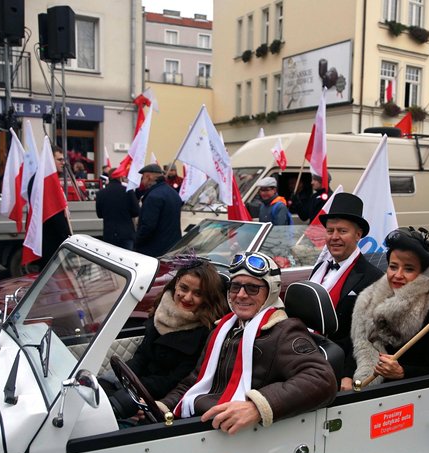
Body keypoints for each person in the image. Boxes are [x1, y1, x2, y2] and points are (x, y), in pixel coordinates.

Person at [160, 251, 337, 434]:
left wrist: (257, 406)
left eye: (252, 288)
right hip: (198, 420)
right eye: (235, 287)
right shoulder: (223, 328)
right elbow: (196, 380)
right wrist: (163, 406)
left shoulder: (284, 331)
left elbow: (322, 379)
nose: (241, 295)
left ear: (271, 291)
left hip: (234, 432)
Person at [103, 258, 228, 420]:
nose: (187, 298)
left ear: (207, 297)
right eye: (184, 288)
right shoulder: (162, 310)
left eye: (198, 293)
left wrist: (135, 396)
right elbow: (141, 357)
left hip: (163, 396)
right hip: (139, 383)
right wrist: (121, 382)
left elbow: (175, 380)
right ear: (176, 283)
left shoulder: (206, 331)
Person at [347, 227, 429, 389]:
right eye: (393, 267)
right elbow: (356, 343)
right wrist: (346, 376)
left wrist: (402, 371)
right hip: (363, 385)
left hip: (408, 393)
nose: (397, 275)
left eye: (409, 269)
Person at [308, 192, 383, 377]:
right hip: (305, 352)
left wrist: (349, 374)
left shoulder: (373, 277)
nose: (334, 237)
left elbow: (369, 337)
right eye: (330, 231)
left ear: (358, 235)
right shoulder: (319, 267)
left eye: (342, 231)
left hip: (335, 364)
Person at [27, 145, 72, 268]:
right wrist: (67, 237)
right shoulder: (45, 180)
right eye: (59, 160)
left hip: (47, 239)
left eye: (64, 159)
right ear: (49, 160)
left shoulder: (39, 178)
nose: (64, 163)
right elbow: (54, 213)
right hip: (51, 241)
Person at [134, 163, 183, 257]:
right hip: (172, 247)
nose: (142, 182)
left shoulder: (153, 196)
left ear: (149, 177)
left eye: (142, 178)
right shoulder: (173, 193)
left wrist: (137, 241)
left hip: (154, 250)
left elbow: (148, 226)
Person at [96, 169, 140, 250]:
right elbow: (136, 211)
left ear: (109, 177)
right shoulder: (128, 191)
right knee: (127, 260)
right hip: (126, 234)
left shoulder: (101, 193)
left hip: (109, 234)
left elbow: (99, 214)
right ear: (120, 177)